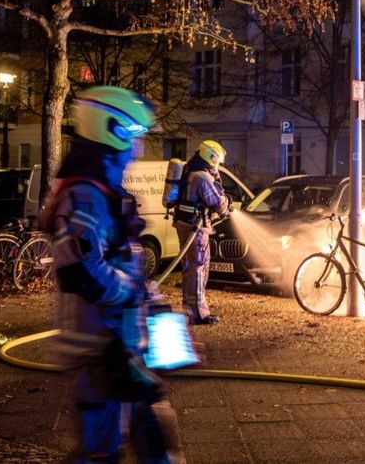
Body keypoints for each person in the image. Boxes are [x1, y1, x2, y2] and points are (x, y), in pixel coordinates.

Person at [43, 86, 179, 463]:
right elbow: (80, 271)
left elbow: (118, 259)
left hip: (119, 345)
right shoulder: (84, 195)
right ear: (111, 129)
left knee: (152, 435)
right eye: (134, 136)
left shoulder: (101, 189)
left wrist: (152, 302)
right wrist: (129, 292)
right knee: (102, 451)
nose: (137, 147)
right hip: (98, 349)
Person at [172, 140, 230, 325]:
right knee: (199, 267)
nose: (217, 165)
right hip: (196, 228)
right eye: (217, 161)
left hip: (183, 224)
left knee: (188, 268)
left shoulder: (189, 172)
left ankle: (188, 310)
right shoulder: (203, 177)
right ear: (212, 158)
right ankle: (199, 314)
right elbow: (218, 204)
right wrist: (226, 203)